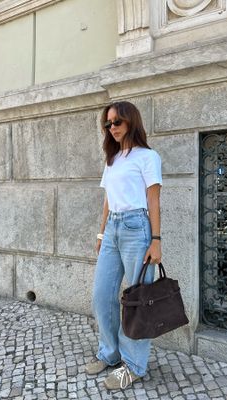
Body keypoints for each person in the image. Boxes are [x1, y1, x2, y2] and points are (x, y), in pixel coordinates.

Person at [85, 101, 162, 390]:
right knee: (101, 295)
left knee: (137, 300)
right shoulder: (113, 159)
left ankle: (134, 366)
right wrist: (101, 234)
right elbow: (107, 200)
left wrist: (156, 240)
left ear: (131, 121)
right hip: (114, 229)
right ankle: (110, 352)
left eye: (117, 122)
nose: (112, 128)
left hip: (137, 229)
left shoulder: (147, 157)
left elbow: (153, 200)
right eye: (108, 124)